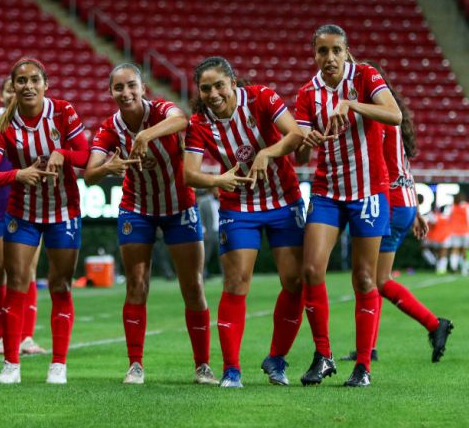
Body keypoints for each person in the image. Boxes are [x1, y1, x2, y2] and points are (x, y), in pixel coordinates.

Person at [83, 63, 213, 385]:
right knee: (136, 284)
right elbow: (89, 172)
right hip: (137, 208)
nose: (125, 93)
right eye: (118, 88)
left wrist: (144, 134)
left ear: (143, 88)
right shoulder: (109, 128)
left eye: (131, 86)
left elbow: (181, 119)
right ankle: (135, 365)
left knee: (193, 286)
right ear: (111, 92)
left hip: (179, 205)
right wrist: (106, 168)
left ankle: (202, 366)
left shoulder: (161, 110)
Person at [183, 57, 308, 387]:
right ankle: (232, 369)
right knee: (237, 282)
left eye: (219, 85)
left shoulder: (261, 98)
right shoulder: (198, 123)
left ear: (233, 83)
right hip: (238, 205)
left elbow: (295, 134)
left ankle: (277, 359)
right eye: (206, 88)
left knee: (295, 282)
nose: (213, 93)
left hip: (284, 199)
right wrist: (216, 180)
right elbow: (189, 173)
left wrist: (267, 153)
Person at [295, 24, 403, 387]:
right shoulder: (307, 94)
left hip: (370, 192)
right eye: (322, 51)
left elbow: (395, 115)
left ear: (346, 51)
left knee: (364, 277)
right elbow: (301, 155)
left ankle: (363, 366)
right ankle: (323, 355)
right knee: (310, 269)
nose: (329, 58)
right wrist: (306, 141)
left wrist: (353, 103)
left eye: (336, 50)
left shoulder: (366, 76)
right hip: (327, 191)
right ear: (314, 54)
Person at [0, 58, 88, 384]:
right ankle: (11, 365)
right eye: (21, 81)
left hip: (63, 211)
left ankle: (59, 365)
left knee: (60, 284)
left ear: (45, 85)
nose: (27, 86)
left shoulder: (63, 112)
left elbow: (85, 155)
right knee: (16, 284)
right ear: (13, 87)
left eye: (34, 80)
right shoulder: (4, 124)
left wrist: (63, 154)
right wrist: (17, 174)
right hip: (22, 214)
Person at [337, 61, 453, 364]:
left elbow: (383, 170)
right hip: (402, 203)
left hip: (387, 202)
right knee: (374, 279)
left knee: (377, 280)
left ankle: (433, 323)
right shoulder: (391, 116)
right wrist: (414, 209)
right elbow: (403, 167)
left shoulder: (378, 120)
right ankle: (369, 347)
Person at [0, 77, 45, 357]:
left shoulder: (38, 126)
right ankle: (1, 337)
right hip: (0, 209)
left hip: (32, 208)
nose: (16, 93)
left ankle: (26, 337)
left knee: (28, 271)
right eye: (10, 89)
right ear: (1, 97)